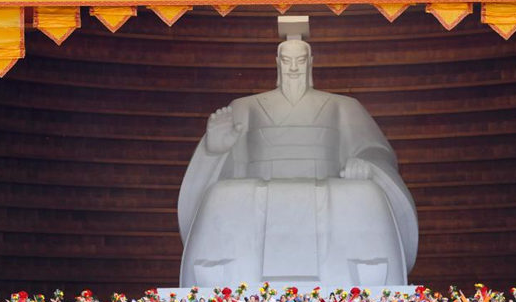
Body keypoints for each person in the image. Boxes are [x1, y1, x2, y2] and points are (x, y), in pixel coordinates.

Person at [179, 38, 419, 286]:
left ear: (310, 63)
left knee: (365, 193)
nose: (293, 68)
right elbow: (231, 160)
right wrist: (216, 151)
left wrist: (365, 164)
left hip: (330, 187)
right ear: (277, 63)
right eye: (287, 60)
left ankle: (367, 281)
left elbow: (374, 149)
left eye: (300, 60)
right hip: (256, 188)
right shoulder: (244, 106)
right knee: (222, 195)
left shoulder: (343, 106)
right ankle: (221, 282)